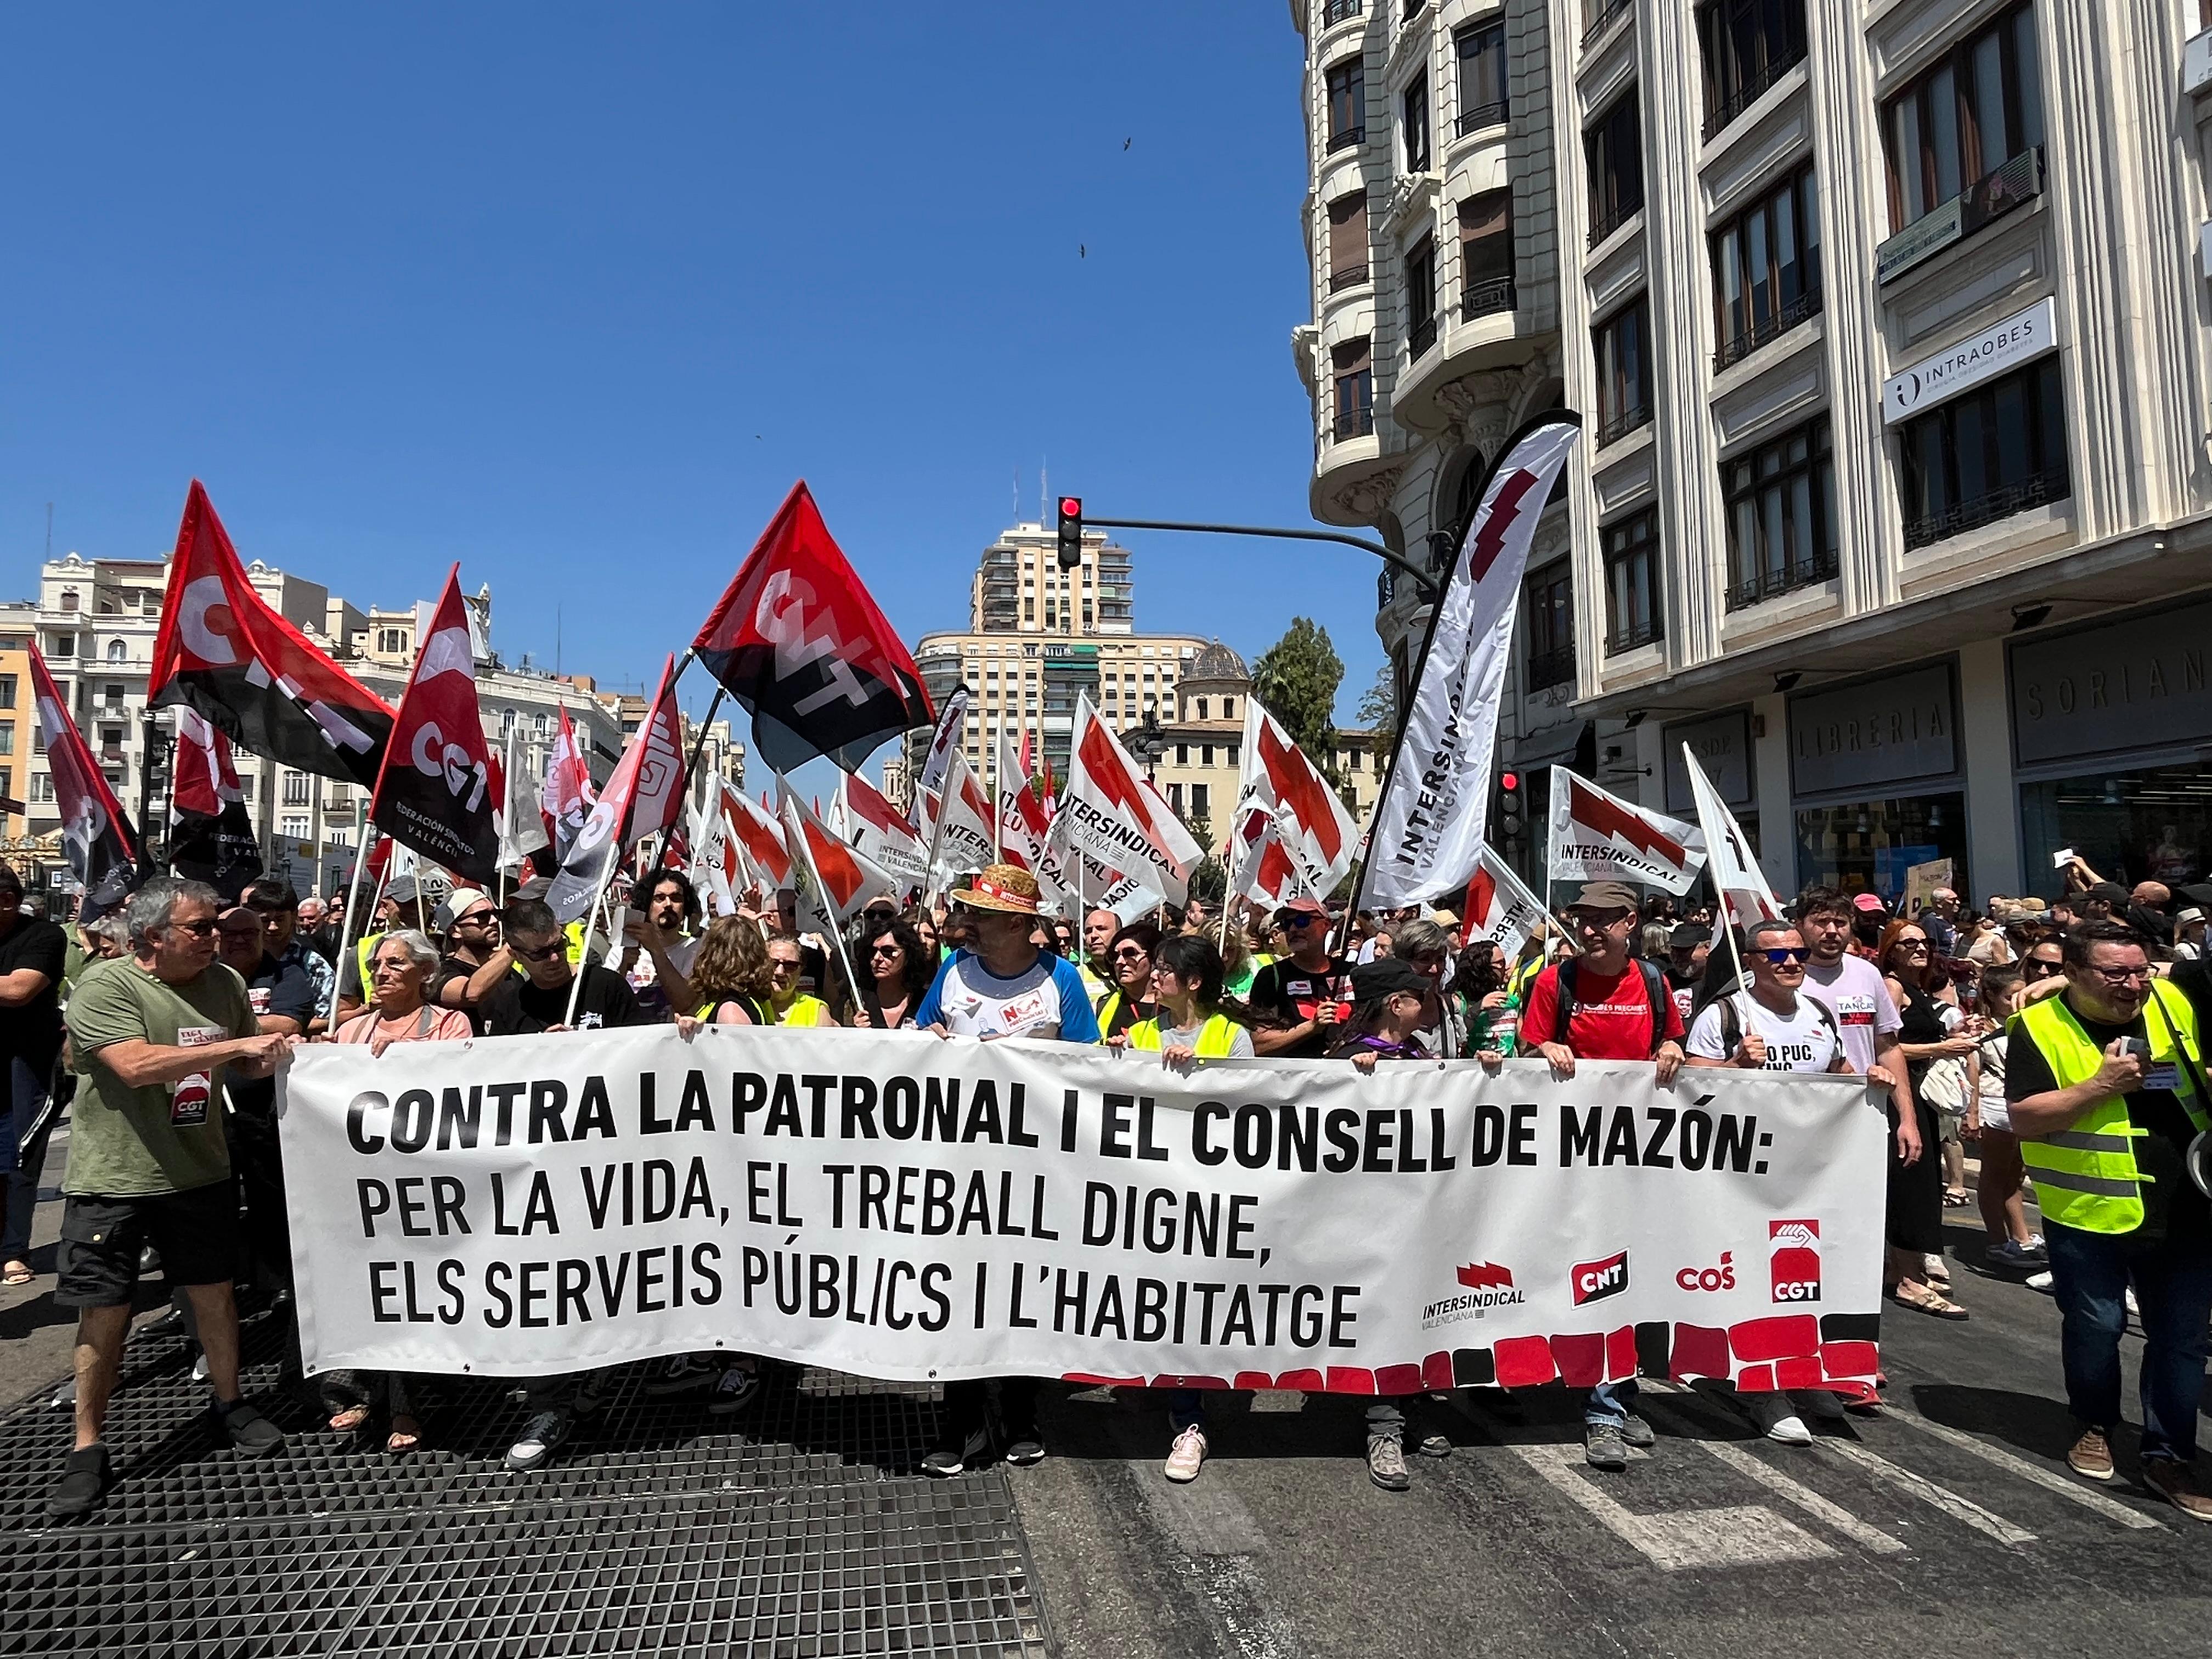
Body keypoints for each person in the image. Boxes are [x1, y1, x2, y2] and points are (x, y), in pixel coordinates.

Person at [47, 879, 291, 1520]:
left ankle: (230, 1402)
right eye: (201, 928)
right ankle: (87, 1445)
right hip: (113, 1181)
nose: (217, 937)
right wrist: (239, 1046)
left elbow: (248, 1064)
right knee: (105, 1313)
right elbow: (133, 1064)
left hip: (200, 1174)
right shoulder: (108, 987)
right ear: (153, 936)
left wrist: (301, 1059)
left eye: (216, 927)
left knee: (215, 1297)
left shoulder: (226, 987)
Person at [2007, 921, 2212, 1519]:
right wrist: (2100, 1084)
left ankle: (2167, 1453)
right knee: (2097, 1325)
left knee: (2182, 1339)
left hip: (2188, 1206)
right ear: (2073, 974)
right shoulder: (2038, 1028)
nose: (2132, 985)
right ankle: (2094, 1421)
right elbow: (2023, 1118)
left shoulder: (2173, 1001)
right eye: (2115, 974)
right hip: (2090, 1212)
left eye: (2140, 970)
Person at [915, 865, 1099, 1477]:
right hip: (958, 1165)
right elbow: (917, 1040)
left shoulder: (1061, 980)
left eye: (982, 915)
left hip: (1033, 1170)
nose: (967, 924)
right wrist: (930, 1035)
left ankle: (1021, 1413)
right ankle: (959, 1418)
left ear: (1019, 925)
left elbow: (1089, 1068)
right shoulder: (953, 971)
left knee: (1023, 1292)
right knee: (958, 1292)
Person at [1686, 919, 1877, 1443]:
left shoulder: (1818, 1012)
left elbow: (1836, 1069)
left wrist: (1866, 1079)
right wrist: (1732, 1063)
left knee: (1805, 1278)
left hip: (1810, 1174)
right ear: (1752, 961)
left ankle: (1802, 1372)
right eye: (1777, 956)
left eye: (1797, 952)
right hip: (1744, 1178)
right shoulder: (1723, 1015)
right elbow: (1691, 1091)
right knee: (1755, 1283)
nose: (1792, 962)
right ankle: (1761, 1389)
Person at [1517, 879, 1685, 1470]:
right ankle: (1602, 1401)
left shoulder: (1655, 982)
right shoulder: (1554, 981)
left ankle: (1611, 1401)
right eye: (1583, 917)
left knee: (1625, 1279)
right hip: (1569, 1159)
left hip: (1637, 1159)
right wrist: (1543, 1051)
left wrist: (1671, 1046)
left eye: (1604, 918)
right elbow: (1529, 1046)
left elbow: (1673, 1041)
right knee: (1586, 1275)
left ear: (1630, 923)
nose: (1590, 928)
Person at [321, 931, 472, 1454]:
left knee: (415, 1290)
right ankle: (356, 1390)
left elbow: (458, 1074)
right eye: (375, 964)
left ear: (425, 973)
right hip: (361, 1182)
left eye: (395, 963)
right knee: (365, 1285)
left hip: (424, 1182)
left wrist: (403, 1057)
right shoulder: (350, 1030)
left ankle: (409, 1401)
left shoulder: (449, 1023)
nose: (381, 972)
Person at [1324, 957, 1446, 1489]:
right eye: (1421, 996)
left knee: (1416, 1313)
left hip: (1416, 1213)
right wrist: (1354, 1086)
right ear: (1397, 1005)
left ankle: (1411, 1407)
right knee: (1381, 1318)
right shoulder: (1347, 1061)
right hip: (1367, 1219)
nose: (1431, 1005)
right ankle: (1384, 1426)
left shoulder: (1420, 1055)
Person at [1795, 887, 1934, 1347]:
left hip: (1865, 1125)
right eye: (1820, 921)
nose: (1832, 931)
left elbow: (1888, 1046)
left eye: (1841, 921)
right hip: (1805, 1129)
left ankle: (1854, 1350)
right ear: (1801, 926)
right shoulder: (1787, 976)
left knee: (1860, 1238)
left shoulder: (1867, 975)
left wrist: (1907, 1119)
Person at [1876, 919, 1977, 1318]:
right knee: (1910, 1182)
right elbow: (1886, 1047)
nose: (1921, 948)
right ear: (1891, 951)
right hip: (1903, 1095)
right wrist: (1943, 1046)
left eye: (1925, 942)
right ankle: (1909, 1279)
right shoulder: (1892, 987)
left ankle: (1904, 1267)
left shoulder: (1918, 989)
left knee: (1920, 1181)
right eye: (1910, 943)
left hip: (1923, 1094)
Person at [0, 866, 69, 1288]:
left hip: (25, 1066)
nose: (5, 899)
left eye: (8, 893)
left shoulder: (44, 936)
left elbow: (18, 991)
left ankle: (12, 1251)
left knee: (18, 1159)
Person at [1965, 966, 2044, 1270]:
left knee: (2016, 1175)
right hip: (1995, 1103)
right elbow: (1972, 1070)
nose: (2018, 1001)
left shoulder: (2028, 1022)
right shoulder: (1980, 1028)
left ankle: (2021, 1237)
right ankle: (1997, 1240)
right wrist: (1972, 1113)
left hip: (2021, 1103)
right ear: (1992, 997)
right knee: (1994, 1175)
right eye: (2011, 996)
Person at [478, 898, 645, 1037]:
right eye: (540, 954)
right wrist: (543, 1049)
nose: (554, 958)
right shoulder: (511, 1009)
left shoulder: (608, 986)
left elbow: (639, 1045)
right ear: (517, 957)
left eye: (558, 946)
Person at [1246, 899, 1355, 1058]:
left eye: (1302, 921)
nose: (1293, 929)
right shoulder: (1271, 977)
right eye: (1286, 924)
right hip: (1296, 1077)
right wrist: (1311, 1026)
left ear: (1326, 925)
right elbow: (1259, 1045)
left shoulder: (1351, 972)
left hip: (1350, 1076)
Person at [243, 878, 334, 1036]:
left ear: (293, 916)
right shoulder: (236, 958)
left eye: (280, 919)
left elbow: (327, 1018)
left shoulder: (313, 965)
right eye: (265, 920)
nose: (273, 927)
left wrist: (295, 1023)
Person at [620, 867, 704, 1021]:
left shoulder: (698, 950)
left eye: (676, 898)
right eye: (659, 898)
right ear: (646, 905)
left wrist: (656, 950)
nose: (668, 904)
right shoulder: (622, 950)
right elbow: (609, 1002)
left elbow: (685, 1004)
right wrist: (623, 968)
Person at [431, 887, 503, 1032]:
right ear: (455, 931)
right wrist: (512, 947)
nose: (494, 921)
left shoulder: (509, 974)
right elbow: (470, 994)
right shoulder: (440, 974)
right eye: (482, 917)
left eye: (495, 914)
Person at [850, 916, 933, 1029]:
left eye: (888, 952)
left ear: (908, 955)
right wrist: (851, 1030)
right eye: (872, 951)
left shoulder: (926, 1002)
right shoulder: (856, 1001)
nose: (877, 958)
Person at [1096, 922, 1161, 1043]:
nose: (1120, 962)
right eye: (1114, 956)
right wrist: (1105, 1046)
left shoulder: (1176, 1003)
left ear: (1154, 957)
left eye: (1130, 953)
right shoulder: (1102, 1005)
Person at [1452, 939, 1519, 1057]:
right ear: (1482, 968)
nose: (1507, 967)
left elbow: (1522, 1042)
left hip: (1509, 1073)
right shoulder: (1458, 1001)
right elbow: (1455, 1036)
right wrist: (1476, 1010)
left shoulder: (1512, 1001)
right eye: (1500, 963)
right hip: (1473, 1072)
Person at [765, 931, 834, 1026]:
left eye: (790, 966)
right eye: (773, 963)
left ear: (801, 970)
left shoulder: (816, 1010)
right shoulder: (748, 1004)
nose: (780, 972)